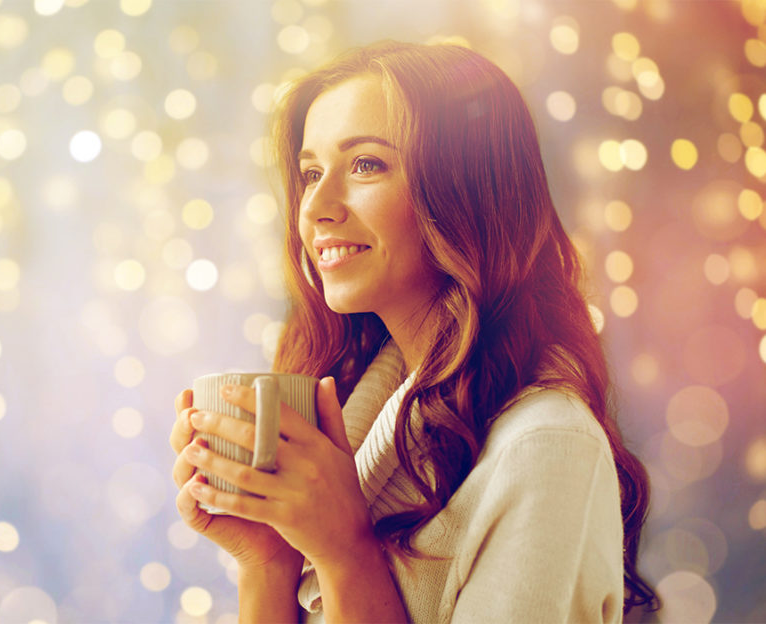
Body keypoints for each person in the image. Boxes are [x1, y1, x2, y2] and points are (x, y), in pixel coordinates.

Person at [170, 40, 659, 622]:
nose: (317, 207)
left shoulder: (546, 445)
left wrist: (346, 552)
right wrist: (268, 561)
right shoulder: (359, 415)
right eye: (309, 173)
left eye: (366, 165)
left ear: (468, 189)